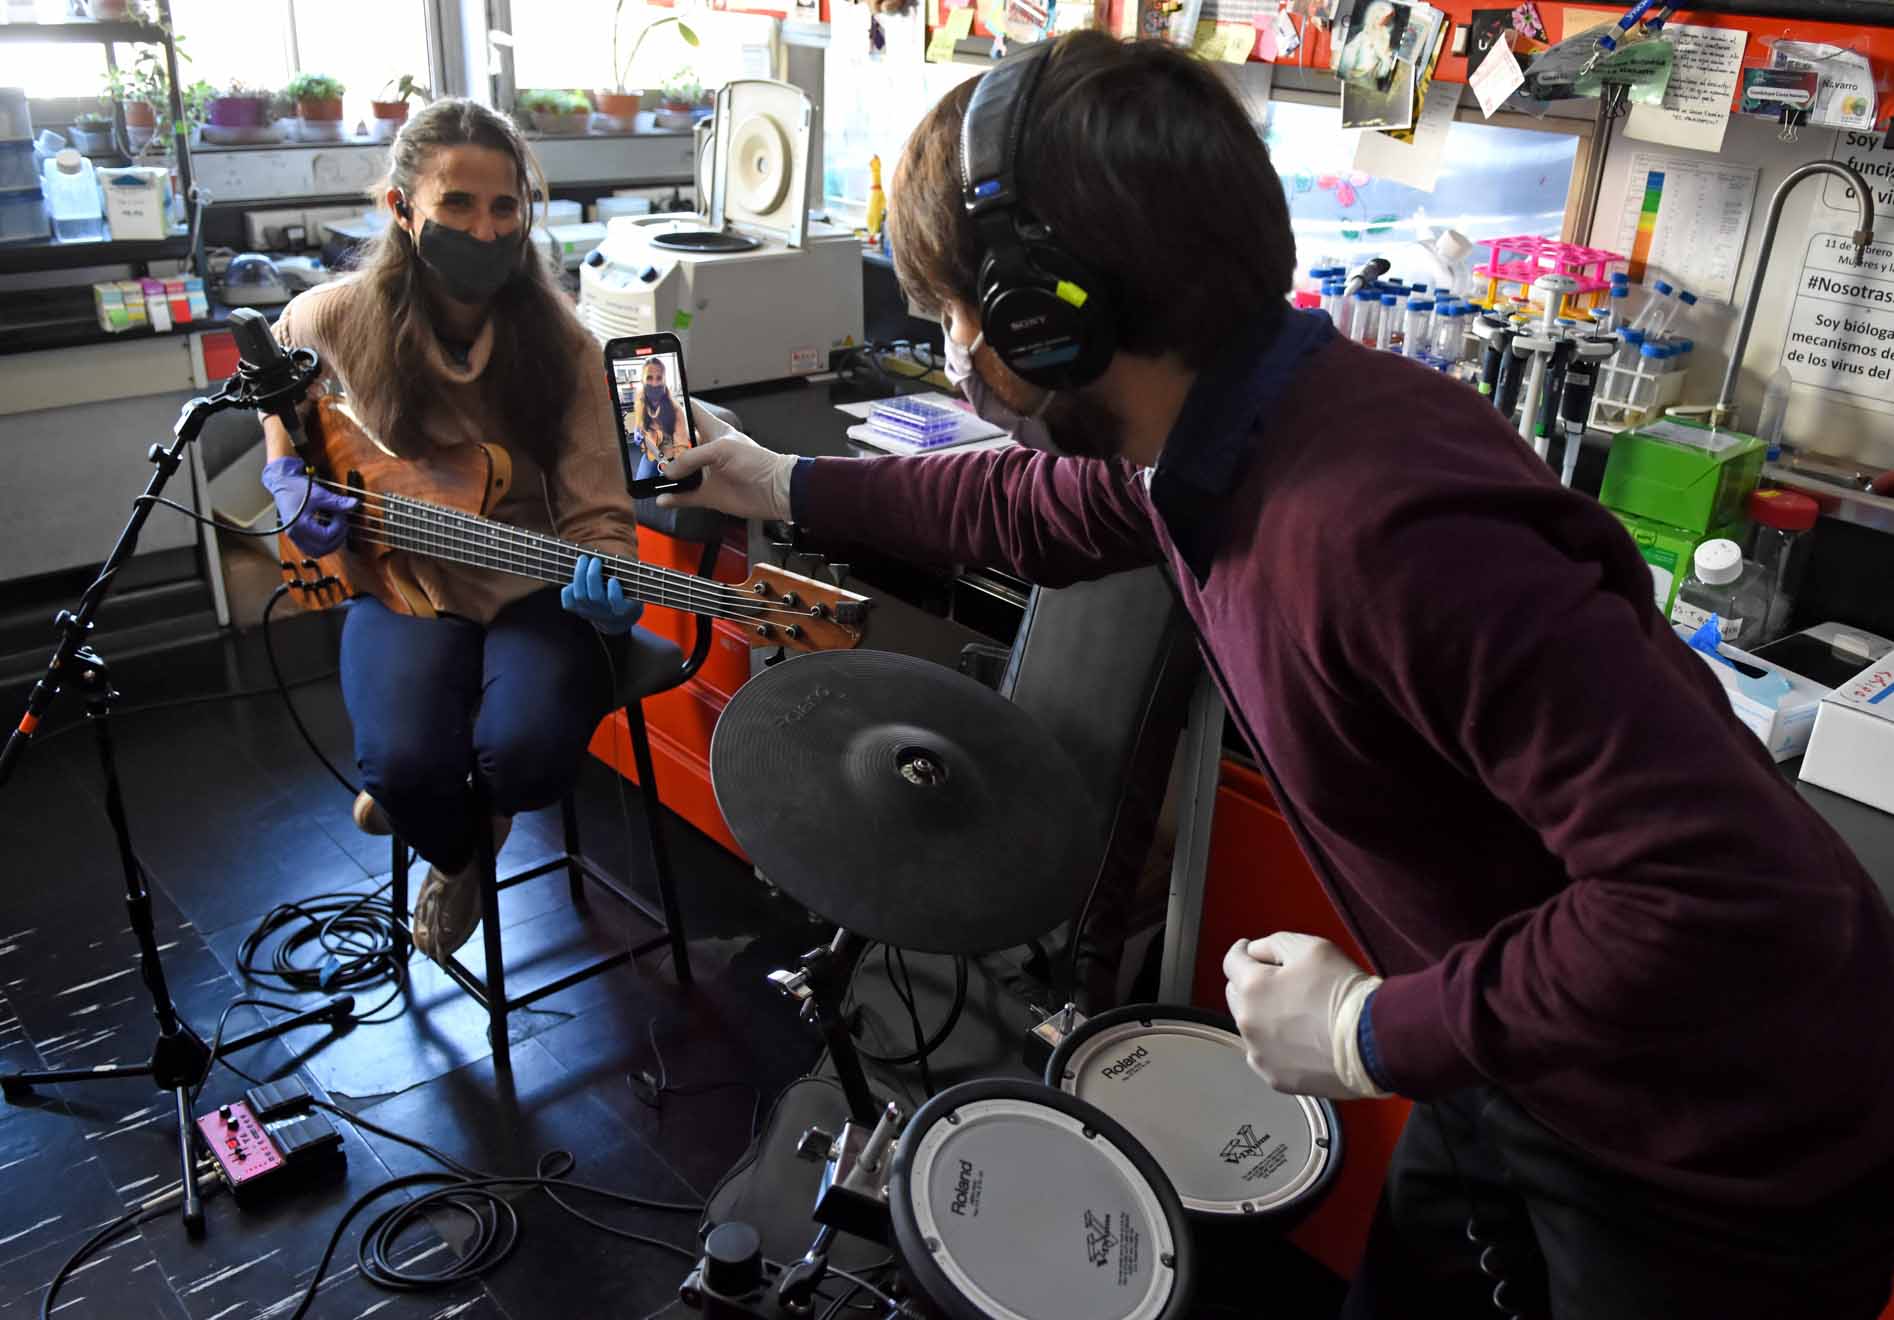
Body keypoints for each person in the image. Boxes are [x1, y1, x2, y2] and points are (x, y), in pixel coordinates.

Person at [657, 33, 1894, 1320]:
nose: (956, 347)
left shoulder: (1375, 531)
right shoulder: (1233, 430)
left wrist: (1366, 1031)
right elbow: (1032, 507)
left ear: (1048, 305)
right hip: (1517, 1063)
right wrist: (782, 480)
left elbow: (1734, 896)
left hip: (1707, 1163)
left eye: (962, 309)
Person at [260, 99, 646, 963]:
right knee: (401, 767)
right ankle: (458, 848)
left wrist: (612, 584)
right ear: (402, 211)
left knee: (529, 756)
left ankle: (474, 813)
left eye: (505, 206)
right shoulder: (332, 318)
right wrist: (288, 480)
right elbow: (277, 378)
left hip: (536, 587)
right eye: (458, 206)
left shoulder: (567, 349)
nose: (485, 227)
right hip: (401, 585)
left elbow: (597, 511)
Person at [635, 357, 688, 466]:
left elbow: (681, 446)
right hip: (651, 452)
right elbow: (641, 427)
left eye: (659, 378)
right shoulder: (640, 402)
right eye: (649, 377)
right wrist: (638, 430)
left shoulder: (675, 409)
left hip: (671, 456)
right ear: (642, 380)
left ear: (664, 381)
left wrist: (675, 467)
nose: (654, 383)